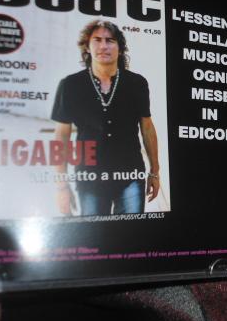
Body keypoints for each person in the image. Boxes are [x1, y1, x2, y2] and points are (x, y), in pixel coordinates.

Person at [51, 20, 160, 216]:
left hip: (130, 175)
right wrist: (61, 186)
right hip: (90, 178)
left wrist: (155, 171)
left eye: (110, 40)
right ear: (87, 46)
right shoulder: (71, 85)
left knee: (132, 232)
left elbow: (147, 127)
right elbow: (61, 136)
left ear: (120, 48)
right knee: (96, 232)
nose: (103, 46)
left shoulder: (137, 83)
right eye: (97, 40)